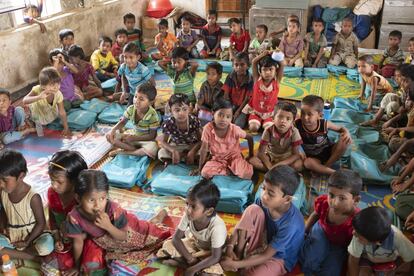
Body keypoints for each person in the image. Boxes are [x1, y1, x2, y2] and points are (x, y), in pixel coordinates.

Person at [64, 170, 171, 275]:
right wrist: (76, 266)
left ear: (107, 195)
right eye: (91, 200)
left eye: (102, 198)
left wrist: (108, 226)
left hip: (131, 232)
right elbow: (77, 243)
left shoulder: (114, 209)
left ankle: (161, 214)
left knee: (154, 230)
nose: (97, 206)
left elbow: (124, 237)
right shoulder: (74, 217)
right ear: (78, 198)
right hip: (112, 245)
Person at [221, 165, 305, 275]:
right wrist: (229, 247)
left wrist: (235, 265)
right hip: (265, 242)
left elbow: (267, 255)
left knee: (253, 274)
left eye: (271, 193)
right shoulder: (263, 201)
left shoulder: (291, 224)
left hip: (279, 257)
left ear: (287, 199)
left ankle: (241, 262)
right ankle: (239, 253)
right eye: (263, 188)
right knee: (252, 209)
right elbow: (246, 221)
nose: (263, 196)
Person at [299, 169, 362, 276]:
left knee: (331, 271)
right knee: (310, 262)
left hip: (340, 245)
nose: (335, 203)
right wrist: (305, 232)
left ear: (356, 200)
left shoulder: (358, 220)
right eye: (331, 195)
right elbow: (315, 215)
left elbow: (356, 244)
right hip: (321, 232)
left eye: (342, 198)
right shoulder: (323, 202)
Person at [157, 179, 226, 275]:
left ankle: (183, 264)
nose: (188, 210)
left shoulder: (217, 227)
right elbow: (176, 238)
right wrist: (190, 259)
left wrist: (192, 269)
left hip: (209, 253)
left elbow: (215, 257)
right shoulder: (189, 215)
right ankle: (190, 266)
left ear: (209, 211)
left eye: (193, 207)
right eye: (187, 204)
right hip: (194, 245)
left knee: (212, 273)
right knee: (167, 245)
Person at [0, 149, 54, 261]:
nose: (0, 183)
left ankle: (19, 253)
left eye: (5, 180)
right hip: (12, 237)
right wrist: (3, 226)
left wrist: (27, 241)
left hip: (32, 237)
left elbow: (41, 223)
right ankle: (34, 257)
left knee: (46, 245)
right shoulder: (2, 192)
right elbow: (4, 211)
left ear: (21, 176)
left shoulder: (33, 197)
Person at [348, 206, 414, 276]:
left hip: (389, 262)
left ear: (376, 242)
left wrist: (398, 270)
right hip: (367, 260)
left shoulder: (397, 237)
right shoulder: (359, 233)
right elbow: (353, 260)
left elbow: (409, 258)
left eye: (358, 235)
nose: (353, 233)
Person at [197, 99, 254, 179]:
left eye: (228, 117)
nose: (224, 119)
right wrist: (200, 168)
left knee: (246, 173)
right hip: (217, 159)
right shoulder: (207, 129)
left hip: (234, 158)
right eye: (220, 115)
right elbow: (203, 149)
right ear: (213, 114)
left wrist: (251, 154)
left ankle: (230, 170)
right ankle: (228, 171)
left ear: (231, 117)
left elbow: (250, 137)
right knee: (205, 173)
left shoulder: (234, 129)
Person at [296, 95, 352, 175]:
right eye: (303, 113)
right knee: (307, 163)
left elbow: (341, 129)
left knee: (345, 140)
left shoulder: (324, 124)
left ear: (320, 115)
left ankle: (325, 167)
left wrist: (347, 132)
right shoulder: (297, 124)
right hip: (313, 157)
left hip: (328, 151)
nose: (305, 117)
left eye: (309, 114)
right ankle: (334, 173)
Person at [106, 82, 160, 158]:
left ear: (151, 102)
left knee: (153, 149)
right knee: (109, 136)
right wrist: (113, 130)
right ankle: (134, 150)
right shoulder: (131, 109)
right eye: (135, 96)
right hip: (133, 137)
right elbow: (122, 122)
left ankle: (124, 152)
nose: (136, 101)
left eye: (141, 99)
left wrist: (134, 138)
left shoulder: (153, 115)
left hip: (146, 141)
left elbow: (151, 136)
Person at [47, 150, 88, 248]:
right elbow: (52, 218)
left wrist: (77, 238)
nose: (54, 185)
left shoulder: (84, 198)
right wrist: (56, 237)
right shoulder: (52, 193)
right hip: (63, 234)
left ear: (74, 181)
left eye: (59, 182)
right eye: (51, 180)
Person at [249, 102, 303, 172]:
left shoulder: (294, 132)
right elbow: (261, 152)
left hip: (287, 157)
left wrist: (279, 165)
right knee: (253, 161)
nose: (283, 121)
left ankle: (276, 170)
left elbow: (296, 155)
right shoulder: (268, 130)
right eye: (280, 117)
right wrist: (270, 166)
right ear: (273, 118)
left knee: (298, 165)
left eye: (288, 119)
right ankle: (277, 171)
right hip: (270, 155)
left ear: (292, 122)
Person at [241, 50, 284, 132]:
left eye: (271, 69)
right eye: (264, 70)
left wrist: (276, 55)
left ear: (276, 71)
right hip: (256, 112)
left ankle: (264, 123)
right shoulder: (257, 80)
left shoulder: (277, 81)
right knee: (253, 128)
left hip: (270, 114)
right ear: (260, 71)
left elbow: (282, 65)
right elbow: (254, 62)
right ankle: (257, 122)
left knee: (268, 130)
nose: (267, 72)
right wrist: (263, 54)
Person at [23, 67, 71, 137]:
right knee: (39, 128)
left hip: (49, 112)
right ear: (43, 86)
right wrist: (38, 97)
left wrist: (66, 127)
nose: (56, 87)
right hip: (38, 114)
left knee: (58, 115)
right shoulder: (37, 89)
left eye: (58, 83)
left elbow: (62, 111)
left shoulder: (58, 94)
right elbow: (24, 100)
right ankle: (32, 123)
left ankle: (46, 122)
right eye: (52, 85)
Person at [157, 94, 201, 165]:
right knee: (161, 153)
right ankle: (182, 156)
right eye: (177, 110)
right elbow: (163, 142)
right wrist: (173, 151)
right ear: (170, 111)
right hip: (176, 145)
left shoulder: (194, 121)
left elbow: (201, 140)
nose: (181, 113)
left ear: (189, 109)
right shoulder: (168, 123)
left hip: (191, 145)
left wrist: (192, 151)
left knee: (205, 151)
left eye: (184, 109)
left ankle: (182, 157)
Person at [222, 52, 254, 128]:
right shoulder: (230, 76)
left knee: (238, 125)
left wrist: (238, 111)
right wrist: (229, 110)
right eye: (236, 65)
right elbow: (226, 96)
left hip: (243, 107)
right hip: (231, 105)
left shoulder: (250, 79)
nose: (239, 67)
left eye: (242, 65)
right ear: (233, 66)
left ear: (248, 66)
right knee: (222, 120)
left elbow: (247, 99)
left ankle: (245, 117)